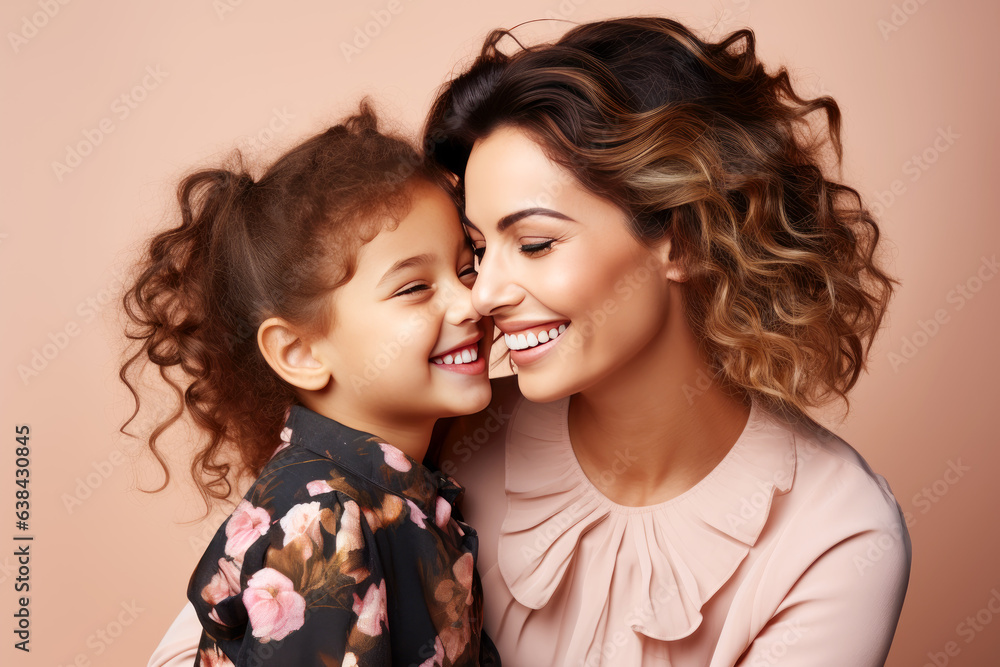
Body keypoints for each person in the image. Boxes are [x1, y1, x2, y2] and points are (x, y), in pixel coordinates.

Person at [148, 16, 911, 666]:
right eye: (480, 249)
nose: (481, 295)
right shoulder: (437, 432)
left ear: (680, 237)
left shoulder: (835, 535)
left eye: (536, 244)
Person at [124, 101, 502, 666]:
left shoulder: (397, 492)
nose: (473, 300)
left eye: (466, 266)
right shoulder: (324, 519)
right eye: (413, 288)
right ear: (299, 352)